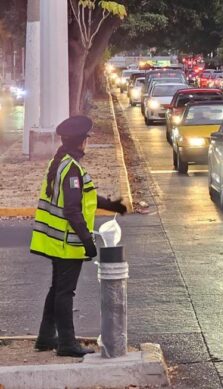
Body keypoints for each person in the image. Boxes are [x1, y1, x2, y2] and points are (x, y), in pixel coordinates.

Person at [30, 115, 127, 357]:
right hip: (66, 242)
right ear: (80, 142)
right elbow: (72, 209)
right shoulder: (72, 169)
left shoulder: (60, 162)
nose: (87, 143)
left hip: (55, 240)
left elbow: (84, 197)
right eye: (86, 139)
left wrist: (112, 205)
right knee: (65, 292)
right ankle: (66, 344)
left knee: (57, 289)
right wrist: (88, 241)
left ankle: (45, 337)